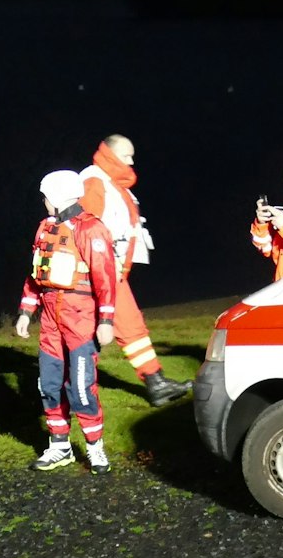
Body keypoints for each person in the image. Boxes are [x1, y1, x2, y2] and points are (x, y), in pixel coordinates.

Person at [17, 170, 120, 474]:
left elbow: (105, 277)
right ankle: (59, 447)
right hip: (50, 318)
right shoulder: (45, 229)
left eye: (46, 196)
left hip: (81, 318)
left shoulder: (90, 230)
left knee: (81, 388)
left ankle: (95, 448)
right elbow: (37, 273)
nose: (44, 202)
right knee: (48, 384)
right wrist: (25, 311)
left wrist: (106, 320)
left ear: (58, 197)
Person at [79, 134, 191, 408]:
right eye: (127, 156)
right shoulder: (95, 181)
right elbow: (87, 227)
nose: (131, 162)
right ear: (112, 155)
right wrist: (101, 267)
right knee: (106, 329)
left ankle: (155, 382)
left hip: (111, 271)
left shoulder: (113, 183)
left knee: (130, 326)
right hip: (98, 272)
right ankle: (78, 389)